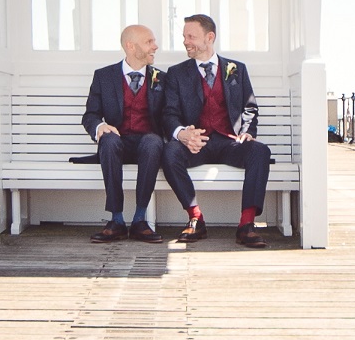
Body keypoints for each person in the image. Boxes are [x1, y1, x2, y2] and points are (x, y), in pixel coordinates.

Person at [160, 13, 274, 247]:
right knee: (169, 153)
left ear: (209, 37)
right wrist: (182, 134)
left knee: (260, 152)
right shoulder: (176, 73)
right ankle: (195, 218)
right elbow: (168, 113)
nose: (185, 41)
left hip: (229, 142)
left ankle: (246, 224)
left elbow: (250, 107)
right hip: (196, 144)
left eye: (191, 36)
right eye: (184, 36)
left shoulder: (237, 69)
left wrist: (247, 131)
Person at [78, 24, 172, 243]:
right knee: (108, 141)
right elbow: (90, 115)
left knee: (152, 141)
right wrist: (99, 127)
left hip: (148, 147)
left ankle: (140, 220)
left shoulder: (162, 78)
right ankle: (116, 220)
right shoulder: (104, 76)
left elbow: (170, 115)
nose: (155, 47)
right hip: (117, 144)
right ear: (130, 46)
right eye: (149, 42)